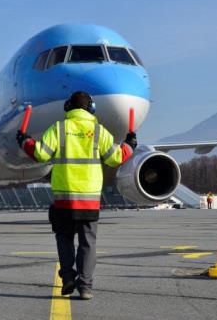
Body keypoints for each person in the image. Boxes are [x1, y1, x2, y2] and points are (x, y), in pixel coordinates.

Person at [16, 91, 137, 300]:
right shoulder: (99, 132)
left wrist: (24, 141)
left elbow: (40, 154)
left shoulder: (59, 129)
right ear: (91, 109)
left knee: (64, 238)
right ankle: (85, 287)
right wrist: (130, 144)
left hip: (64, 198)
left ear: (68, 107)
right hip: (89, 200)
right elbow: (116, 158)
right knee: (87, 242)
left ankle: (68, 277)